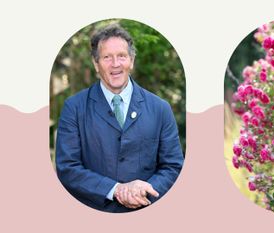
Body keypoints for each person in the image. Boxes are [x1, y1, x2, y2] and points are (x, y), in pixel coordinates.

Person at [56, 24, 184, 213]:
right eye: (107, 57)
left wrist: (144, 191)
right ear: (95, 63)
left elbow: (173, 166)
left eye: (122, 56)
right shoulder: (74, 108)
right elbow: (67, 167)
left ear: (131, 60)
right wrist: (116, 190)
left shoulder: (160, 108)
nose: (115, 64)